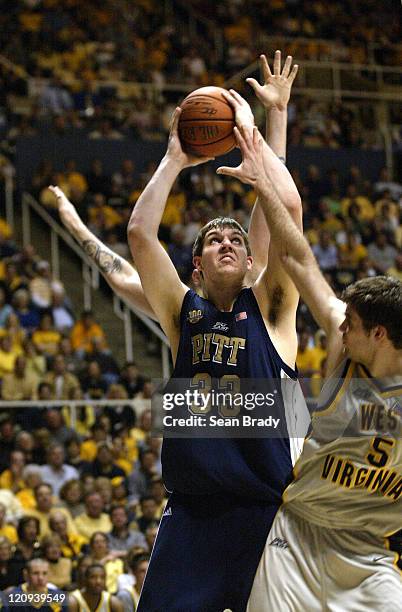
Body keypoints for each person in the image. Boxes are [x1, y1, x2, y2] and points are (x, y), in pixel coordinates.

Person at [127, 54, 309, 612]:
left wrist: (263, 132)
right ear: (197, 266)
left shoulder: (275, 307)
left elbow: (288, 211)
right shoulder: (184, 314)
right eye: (213, 240)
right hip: (193, 515)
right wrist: (174, 158)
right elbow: (139, 233)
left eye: (237, 238)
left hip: (266, 514)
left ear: (252, 258)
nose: (227, 241)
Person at [215, 121, 402, 610]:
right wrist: (263, 181)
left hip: (367, 554)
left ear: (379, 334)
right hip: (295, 536)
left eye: (351, 325)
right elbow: (298, 258)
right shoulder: (347, 340)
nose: (338, 328)